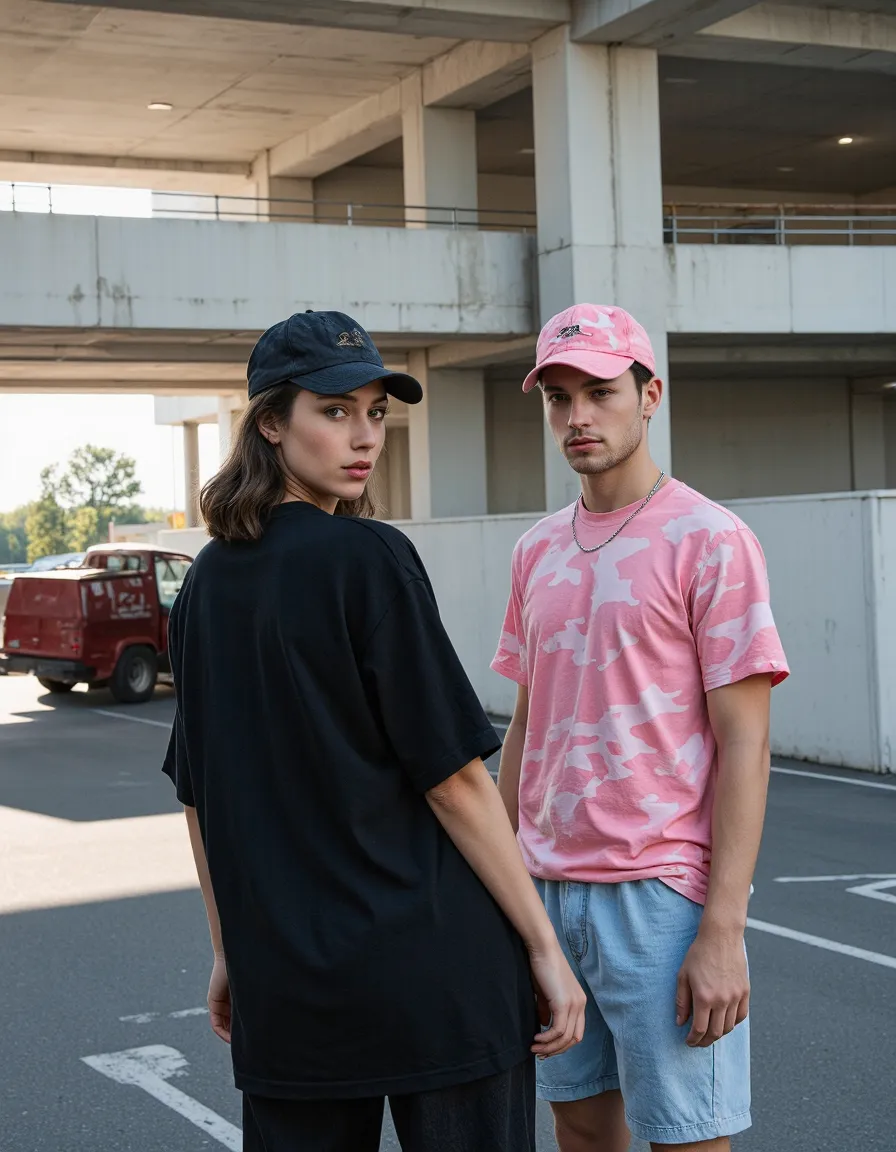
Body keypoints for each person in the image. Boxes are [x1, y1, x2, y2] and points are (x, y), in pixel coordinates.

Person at [161, 309, 586, 1152]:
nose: (364, 437)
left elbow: (199, 794)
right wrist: (543, 946)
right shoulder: (369, 558)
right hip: (434, 971)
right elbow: (454, 779)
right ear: (271, 422)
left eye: (376, 413)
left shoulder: (205, 583)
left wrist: (228, 951)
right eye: (335, 411)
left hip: (288, 985)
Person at [492, 304, 789, 1152]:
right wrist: (502, 884)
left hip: (658, 896)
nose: (577, 416)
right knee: (581, 1131)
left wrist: (722, 930)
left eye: (599, 391)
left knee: (689, 1139)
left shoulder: (712, 540)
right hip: (547, 893)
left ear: (649, 393)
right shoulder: (536, 550)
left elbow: (747, 745)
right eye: (557, 397)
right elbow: (524, 726)